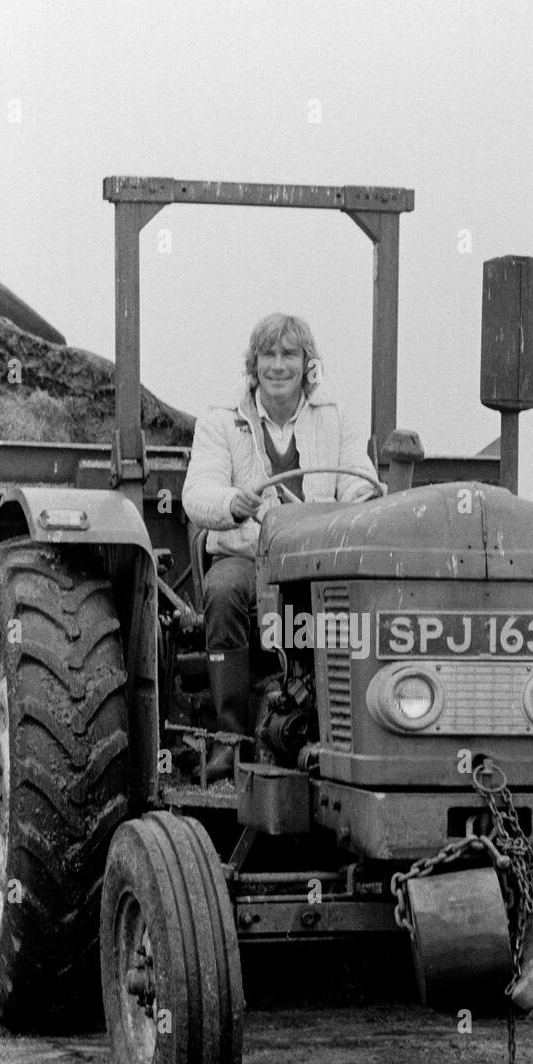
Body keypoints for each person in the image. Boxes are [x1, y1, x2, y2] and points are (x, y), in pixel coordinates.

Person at [182, 312, 380, 781]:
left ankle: (338, 735)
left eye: (289, 354)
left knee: (353, 603)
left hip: (312, 563)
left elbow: (358, 484)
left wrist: (369, 499)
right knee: (223, 592)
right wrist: (234, 501)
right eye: (268, 355)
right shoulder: (222, 423)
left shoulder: (333, 420)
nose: (278, 365)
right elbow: (196, 495)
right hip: (247, 556)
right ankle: (230, 740)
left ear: (307, 364)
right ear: (254, 365)